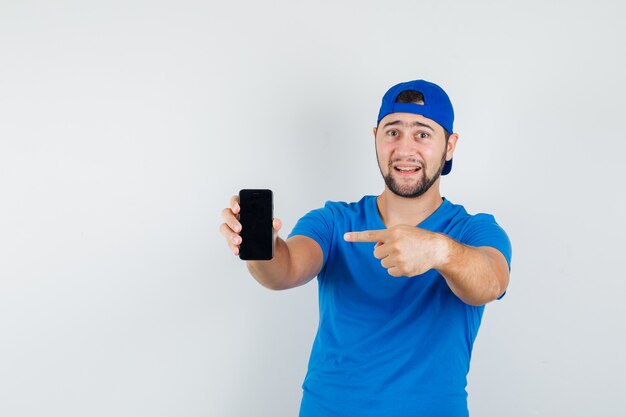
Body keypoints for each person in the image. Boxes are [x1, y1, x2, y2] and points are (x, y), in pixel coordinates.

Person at [219, 79, 512, 417]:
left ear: (449, 146)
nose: (404, 149)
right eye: (392, 132)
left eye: (422, 134)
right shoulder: (333, 221)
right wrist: (260, 247)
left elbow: (491, 282)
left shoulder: (474, 231)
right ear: (375, 138)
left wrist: (438, 251)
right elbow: (284, 270)